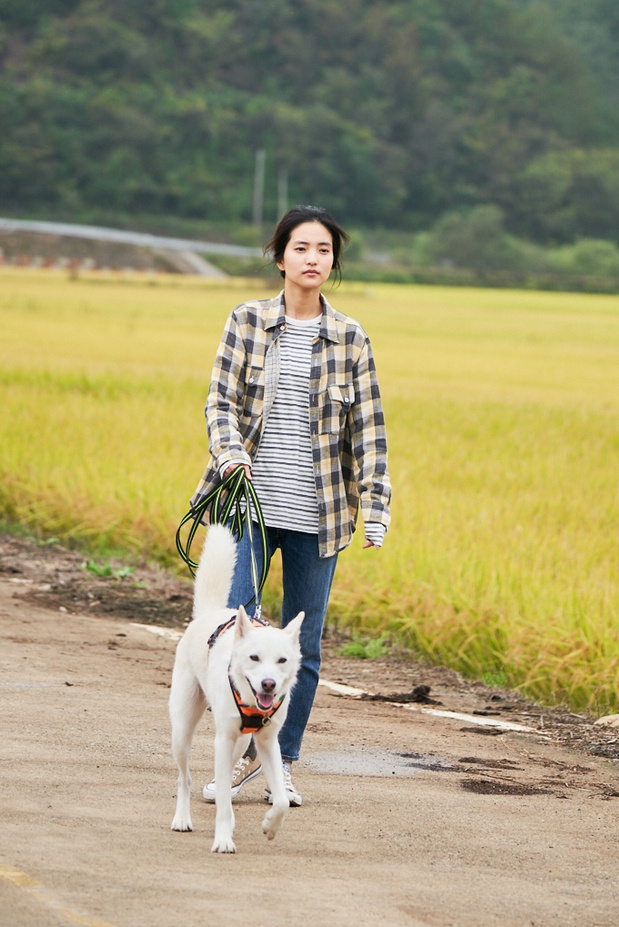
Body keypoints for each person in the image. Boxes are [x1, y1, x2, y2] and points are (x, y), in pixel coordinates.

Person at [191, 204, 391, 808]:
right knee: (237, 630)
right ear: (280, 256)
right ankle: (228, 749)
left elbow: (370, 432)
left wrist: (375, 510)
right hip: (247, 502)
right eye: (301, 248)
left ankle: (274, 760)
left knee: (303, 647)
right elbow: (219, 401)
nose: (313, 259)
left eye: (324, 250)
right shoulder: (247, 320)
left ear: (333, 261)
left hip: (320, 514)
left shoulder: (351, 337)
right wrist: (229, 453)